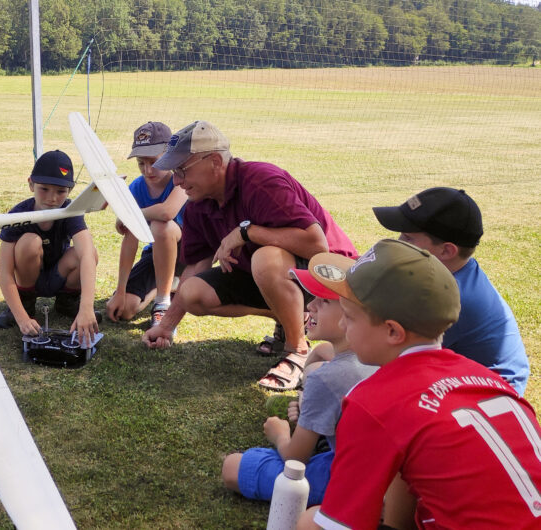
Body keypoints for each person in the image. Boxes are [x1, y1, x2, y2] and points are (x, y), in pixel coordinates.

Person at [295, 239, 541, 529]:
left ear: (392, 331)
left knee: (310, 522)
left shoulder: (371, 402)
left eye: (349, 317)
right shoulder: (483, 376)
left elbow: (339, 524)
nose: (341, 326)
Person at [141, 121, 357, 391]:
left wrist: (247, 233)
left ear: (216, 162)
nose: (176, 181)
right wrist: (167, 325)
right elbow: (196, 265)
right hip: (279, 277)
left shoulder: (261, 181)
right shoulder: (199, 202)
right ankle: (288, 316)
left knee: (265, 259)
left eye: (183, 170)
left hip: (332, 279)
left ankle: (297, 351)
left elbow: (317, 246)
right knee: (192, 292)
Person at [221, 266, 376, 506]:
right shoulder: (377, 356)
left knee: (232, 467)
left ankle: (321, 440)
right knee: (319, 359)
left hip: (356, 480)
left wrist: (280, 434)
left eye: (323, 302)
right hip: (382, 467)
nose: (310, 306)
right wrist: (306, 396)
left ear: (351, 316)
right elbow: (321, 356)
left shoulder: (327, 379)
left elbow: (296, 458)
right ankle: (323, 434)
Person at [373, 187, 529, 395]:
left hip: (488, 394)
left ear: (446, 250)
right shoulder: (445, 274)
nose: (398, 242)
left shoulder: (449, 299)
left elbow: (388, 352)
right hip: (461, 377)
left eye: (408, 238)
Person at [0, 149, 100, 345]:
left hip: (59, 276)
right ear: (30, 184)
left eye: (60, 191)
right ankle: (26, 302)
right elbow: (5, 274)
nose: (52, 198)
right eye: (44, 189)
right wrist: (21, 318)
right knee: (30, 242)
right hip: (29, 279)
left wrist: (87, 306)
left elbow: (86, 255)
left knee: (89, 252)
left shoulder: (70, 211)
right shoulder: (17, 215)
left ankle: (67, 302)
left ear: (70, 190)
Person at [105, 121, 187, 328]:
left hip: (190, 255)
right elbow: (130, 238)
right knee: (124, 309)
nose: (148, 170)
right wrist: (120, 291)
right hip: (157, 255)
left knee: (162, 226)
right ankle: (170, 285)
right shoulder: (137, 187)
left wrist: (131, 215)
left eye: (154, 161)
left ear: (169, 155)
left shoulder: (182, 179)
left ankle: (163, 303)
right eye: (141, 163)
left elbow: (167, 212)